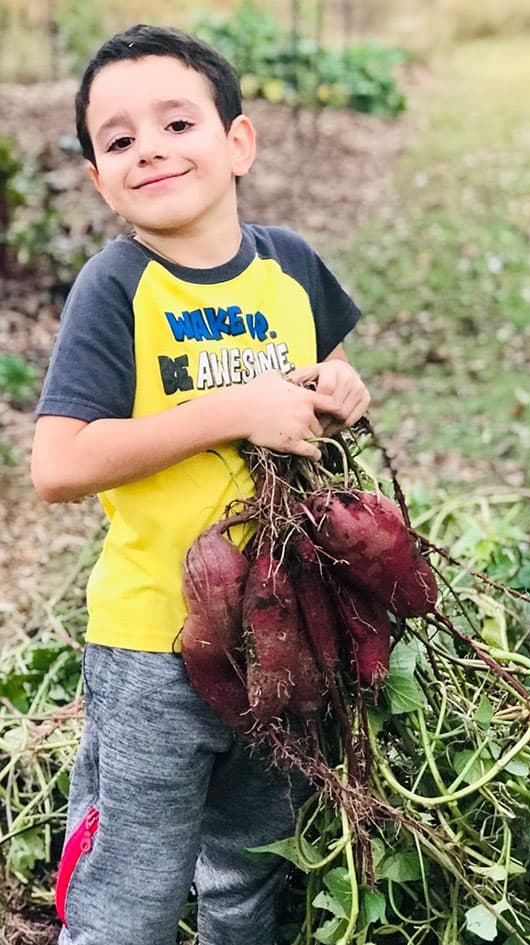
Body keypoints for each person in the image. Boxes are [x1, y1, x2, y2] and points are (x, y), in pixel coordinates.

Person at [30, 23, 370, 945]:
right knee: (129, 885)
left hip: (283, 630)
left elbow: (325, 387)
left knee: (253, 868)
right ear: (100, 180)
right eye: (119, 139)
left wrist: (337, 392)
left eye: (177, 122)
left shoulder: (290, 266)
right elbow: (58, 463)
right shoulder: (118, 289)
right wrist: (230, 410)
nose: (150, 149)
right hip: (155, 644)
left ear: (238, 142)